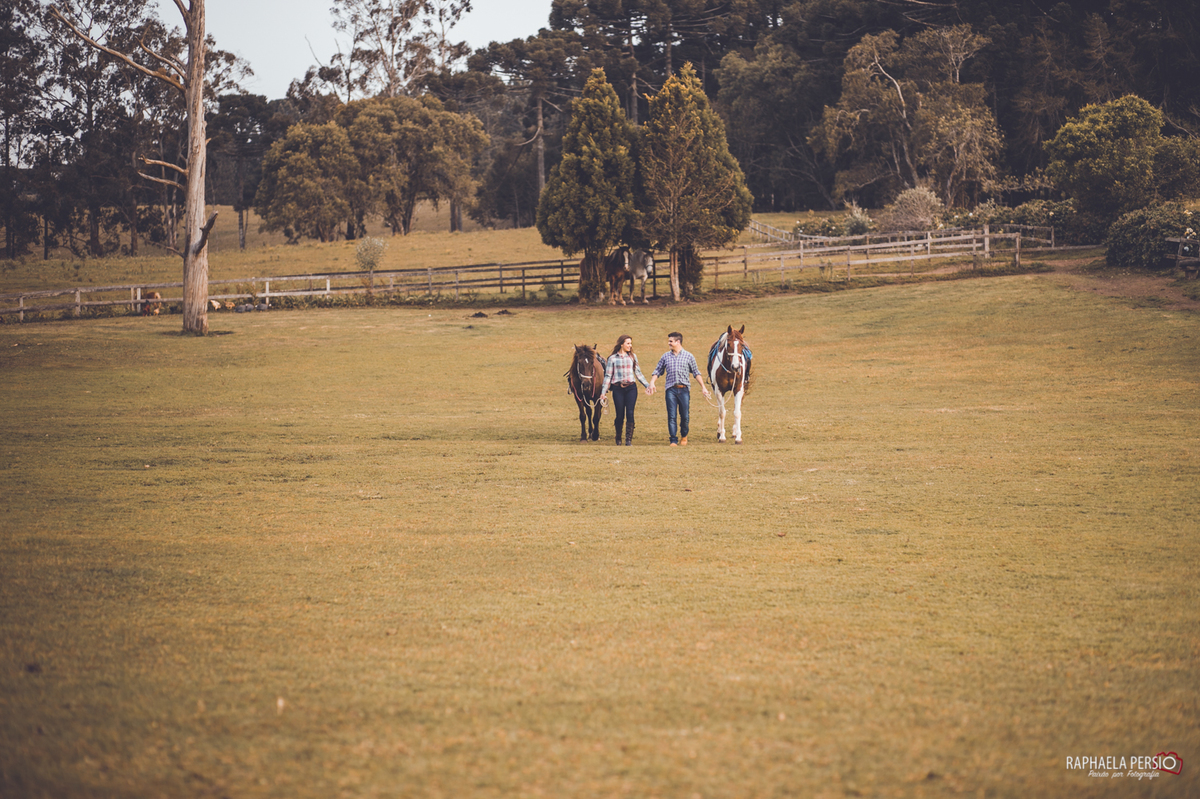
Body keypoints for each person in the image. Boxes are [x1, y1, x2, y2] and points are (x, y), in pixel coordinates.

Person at [647, 332, 711, 446]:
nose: (669, 343)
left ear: (678, 342)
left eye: (671, 341)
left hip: (684, 389)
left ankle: (684, 435)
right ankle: (673, 440)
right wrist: (652, 382)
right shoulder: (665, 356)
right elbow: (657, 371)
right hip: (670, 389)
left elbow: (696, 373)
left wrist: (703, 388)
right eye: (669, 341)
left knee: (685, 416)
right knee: (671, 416)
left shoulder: (689, 356)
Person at [599, 334, 651, 446]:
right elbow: (608, 376)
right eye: (628, 343)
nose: (630, 345)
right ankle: (618, 438)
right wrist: (603, 392)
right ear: (621, 344)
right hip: (618, 388)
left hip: (631, 388)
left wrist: (647, 385)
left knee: (630, 413)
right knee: (619, 414)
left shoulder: (632, 357)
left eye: (631, 343)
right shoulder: (612, 358)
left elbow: (638, 373)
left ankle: (628, 440)